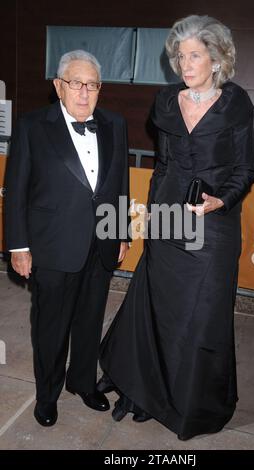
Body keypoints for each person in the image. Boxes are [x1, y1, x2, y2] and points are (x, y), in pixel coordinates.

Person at [98, 15, 254, 441]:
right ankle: (142, 392)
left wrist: (220, 199)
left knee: (201, 314)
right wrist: (152, 216)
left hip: (215, 225)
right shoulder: (167, 101)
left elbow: (246, 168)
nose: (184, 65)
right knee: (157, 307)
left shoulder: (236, 103)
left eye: (195, 56)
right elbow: (163, 165)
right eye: (180, 56)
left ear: (217, 58)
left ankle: (185, 400)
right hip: (168, 217)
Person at [5, 50, 130, 427]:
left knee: (90, 320)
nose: (84, 92)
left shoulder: (115, 124)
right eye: (76, 83)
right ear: (59, 86)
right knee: (51, 327)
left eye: (92, 85)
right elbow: (16, 191)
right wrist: (18, 245)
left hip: (102, 243)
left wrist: (122, 232)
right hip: (53, 245)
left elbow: (119, 183)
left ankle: (82, 383)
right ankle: (47, 395)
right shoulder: (32, 126)